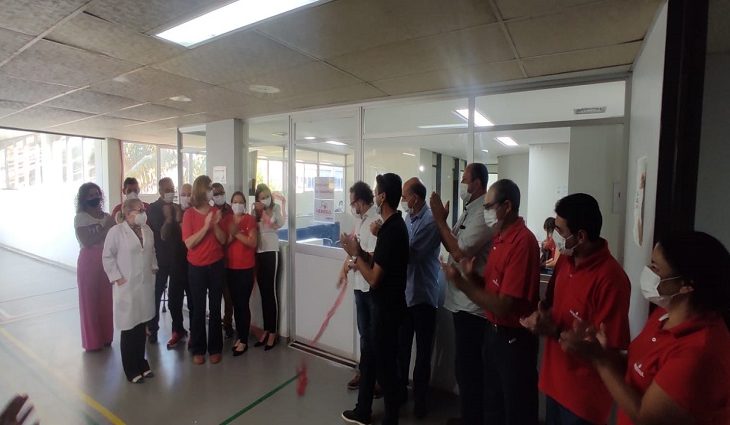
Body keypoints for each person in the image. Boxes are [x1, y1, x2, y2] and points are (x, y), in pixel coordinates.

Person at [560, 231, 730, 425]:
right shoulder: (665, 314)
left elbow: (647, 417)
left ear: (686, 285)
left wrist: (599, 359)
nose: (648, 271)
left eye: (656, 268)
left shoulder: (698, 352)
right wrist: (602, 352)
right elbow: (640, 367)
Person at [521, 194, 631, 424]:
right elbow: (550, 304)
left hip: (582, 398)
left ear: (580, 236)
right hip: (554, 382)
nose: (555, 237)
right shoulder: (566, 261)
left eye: (560, 231)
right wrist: (540, 316)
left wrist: (556, 331)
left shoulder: (612, 279)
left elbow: (610, 351)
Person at [442, 178, 540, 425]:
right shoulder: (499, 238)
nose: (485, 212)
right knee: (493, 404)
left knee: (515, 409)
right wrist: (471, 277)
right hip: (494, 333)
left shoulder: (522, 242)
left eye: (488, 207)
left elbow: (503, 305)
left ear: (507, 206)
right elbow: (491, 287)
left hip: (514, 340)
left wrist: (462, 284)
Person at [341, 173, 409, 425]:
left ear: (383, 197)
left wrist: (355, 255)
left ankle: (389, 417)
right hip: (384, 307)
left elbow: (374, 278)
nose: (374, 196)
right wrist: (358, 251)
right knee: (371, 359)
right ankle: (363, 410)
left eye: (377, 192)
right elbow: (376, 260)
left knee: (385, 368)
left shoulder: (391, 230)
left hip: (386, 309)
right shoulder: (390, 226)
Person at [429, 163, 493, 425]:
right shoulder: (469, 210)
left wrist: (439, 219)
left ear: (477, 183)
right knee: (463, 366)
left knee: (470, 368)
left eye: (465, 180)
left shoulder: (484, 214)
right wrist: (443, 222)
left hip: (472, 304)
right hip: (459, 300)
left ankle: (473, 419)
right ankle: (468, 416)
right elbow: (451, 243)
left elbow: (459, 251)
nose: (462, 186)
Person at [397, 178, 442, 418]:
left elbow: (410, 254)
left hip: (423, 297)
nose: (403, 200)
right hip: (406, 294)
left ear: (415, 197)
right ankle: (400, 392)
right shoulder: (408, 217)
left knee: (423, 354)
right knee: (403, 348)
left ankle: (420, 401)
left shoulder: (431, 221)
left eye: (405, 196)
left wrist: (388, 239)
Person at [102, 198, 157, 383]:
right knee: (129, 328)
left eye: (143, 209)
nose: (143, 213)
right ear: (127, 214)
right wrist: (117, 277)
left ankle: (142, 362)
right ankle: (130, 368)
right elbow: (107, 256)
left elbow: (151, 251)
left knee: (141, 327)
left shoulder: (147, 230)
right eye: (139, 210)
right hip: (127, 286)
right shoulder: (116, 232)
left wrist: (154, 267)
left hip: (144, 285)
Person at [339, 181, 382, 394]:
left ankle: (376, 378)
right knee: (364, 334)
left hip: (370, 287)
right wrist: (345, 267)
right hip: (359, 285)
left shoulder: (376, 221)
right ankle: (365, 373)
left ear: (361, 201)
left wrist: (355, 259)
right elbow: (355, 249)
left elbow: (372, 257)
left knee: (374, 336)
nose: (351, 206)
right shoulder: (360, 221)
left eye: (352, 202)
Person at [182, 175, 226, 365]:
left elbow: (223, 240)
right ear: (201, 190)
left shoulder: (216, 211)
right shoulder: (189, 215)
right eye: (209, 188)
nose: (212, 191)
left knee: (215, 308)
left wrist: (214, 225)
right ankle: (198, 348)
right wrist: (206, 226)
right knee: (198, 309)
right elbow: (189, 243)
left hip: (216, 265)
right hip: (196, 268)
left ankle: (215, 348)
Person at [74, 182, 115, 352]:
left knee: (106, 301)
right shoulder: (81, 218)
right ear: (84, 199)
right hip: (88, 261)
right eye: (90, 195)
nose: (95, 198)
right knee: (89, 302)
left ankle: (106, 337)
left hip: (106, 260)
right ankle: (93, 342)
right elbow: (87, 241)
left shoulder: (107, 216)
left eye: (97, 194)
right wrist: (106, 228)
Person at [222, 191, 258, 356]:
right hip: (230, 268)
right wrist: (232, 235)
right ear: (231, 204)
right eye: (235, 202)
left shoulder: (249, 219)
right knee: (235, 304)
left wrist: (237, 233)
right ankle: (239, 335)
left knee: (243, 304)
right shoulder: (227, 220)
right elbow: (224, 242)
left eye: (240, 202)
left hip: (245, 268)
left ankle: (243, 339)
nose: (238, 205)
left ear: (244, 204)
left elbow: (252, 242)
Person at [146, 177, 179, 344]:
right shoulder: (153, 208)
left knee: (175, 297)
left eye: (172, 189)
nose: (170, 192)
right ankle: (153, 329)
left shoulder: (177, 207)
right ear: (160, 191)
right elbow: (163, 235)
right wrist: (168, 219)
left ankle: (178, 329)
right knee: (156, 294)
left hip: (177, 259)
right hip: (160, 259)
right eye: (167, 190)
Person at [252, 183, 283, 350]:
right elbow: (252, 228)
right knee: (263, 293)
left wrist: (264, 212)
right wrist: (256, 212)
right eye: (262, 197)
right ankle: (266, 328)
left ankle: (273, 332)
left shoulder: (275, 208)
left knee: (271, 293)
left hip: (272, 251)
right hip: (259, 252)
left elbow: (278, 224)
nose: (265, 199)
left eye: (267, 196)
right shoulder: (254, 211)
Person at [160, 201, 193, 349]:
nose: (186, 198)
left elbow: (188, 239)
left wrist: (181, 219)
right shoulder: (172, 213)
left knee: (193, 302)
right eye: (183, 194)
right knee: (173, 302)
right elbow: (163, 235)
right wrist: (170, 219)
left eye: (188, 194)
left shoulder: (193, 214)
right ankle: (177, 330)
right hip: (175, 265)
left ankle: (195, 332)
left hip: (192, 265)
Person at [212, 182, 235, 340]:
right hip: (214, 259)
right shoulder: (210, 212)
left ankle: (227, 324)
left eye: (221, 192)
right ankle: (214, 325)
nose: (219, 195)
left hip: (229, 259)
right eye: (216, 193)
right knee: (215, 296)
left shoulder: (231, 210)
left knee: (228, 296)